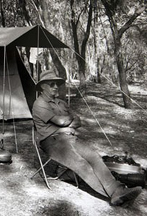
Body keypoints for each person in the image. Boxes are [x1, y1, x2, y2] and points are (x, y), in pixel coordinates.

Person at [32, 70, 142, 206]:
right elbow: (61, 122)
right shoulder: (39, 103)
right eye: (52, 84)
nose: (56, 87)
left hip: (69, 138)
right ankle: (114, 195)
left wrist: (67, 122)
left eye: (58, 84)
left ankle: (119, 191)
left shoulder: (61, 103)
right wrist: (67, 122)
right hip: (52, 142)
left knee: (94, 157)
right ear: (43, 86)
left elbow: (78, 121)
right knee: (81, 164)